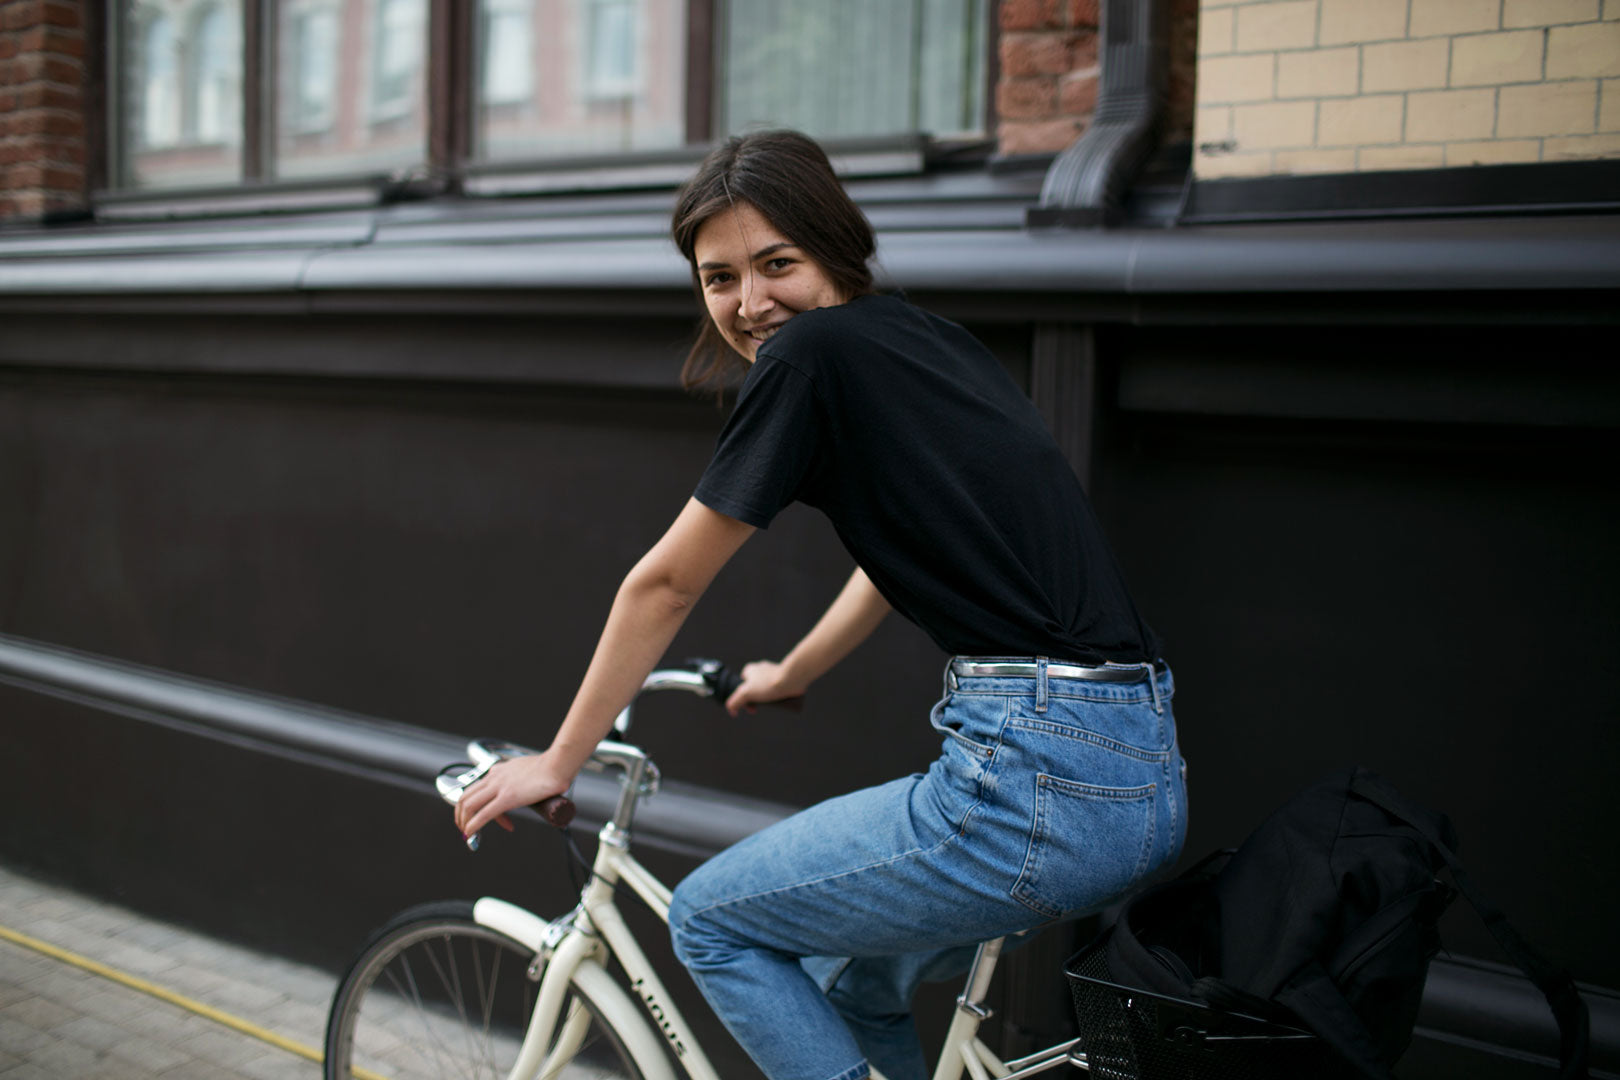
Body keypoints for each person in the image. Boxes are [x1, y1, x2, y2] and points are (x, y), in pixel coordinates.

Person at [454, 130, 1188, 1080]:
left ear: (835, 248)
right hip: (1140, 771)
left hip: (1035, 777)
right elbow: (909, 552)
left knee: (711, 921)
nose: (751, 304)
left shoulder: (808, 355)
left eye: (777, 265)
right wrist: (793, 670)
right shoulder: (926, 341)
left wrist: (558, 762)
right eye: (719, 279)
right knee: (857, 988)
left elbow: (666, 582)